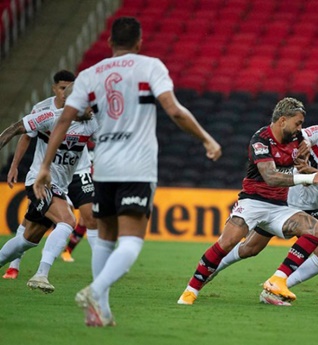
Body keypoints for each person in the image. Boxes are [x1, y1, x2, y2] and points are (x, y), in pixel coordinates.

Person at [32, 17, 222, 327]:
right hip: (137, 165)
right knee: (132, 240)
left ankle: (101, 312)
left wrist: (43, 167)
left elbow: (63, 120)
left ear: (109, 43)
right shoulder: (150, 66)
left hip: (103, 167)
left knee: (104, 237)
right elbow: (173, 110)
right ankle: (95, 290)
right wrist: (206, 139)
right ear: (139, 42)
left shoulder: (90, 75)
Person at [177, 97, 318, 306]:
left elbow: (301, 157)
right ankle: (191, 290)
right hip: (253, 202)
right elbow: (271, 177)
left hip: (279, 207)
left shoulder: (298, 137)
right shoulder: (261, 139)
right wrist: (308, 177)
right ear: (282, 120)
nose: (300, 128)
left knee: (316, 230)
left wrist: (303, 163)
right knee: (227, 243)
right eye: (298, 123)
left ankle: (278, 280)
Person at [208, 105, 318, 306]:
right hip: (285, 201)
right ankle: (213, 267)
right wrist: (304, 145)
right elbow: (297, 137)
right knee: (250, 248)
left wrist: (310, 170)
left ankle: (276, 285)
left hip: (315, 207)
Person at [0, 83, 99, 294]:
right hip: (39, 182)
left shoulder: (91, 123)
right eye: (88, 103)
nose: (93, 107)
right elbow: (15, 129)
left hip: (60, 186)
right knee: (68, 220)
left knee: (26, 241)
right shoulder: (50, 117)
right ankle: (41, 275)